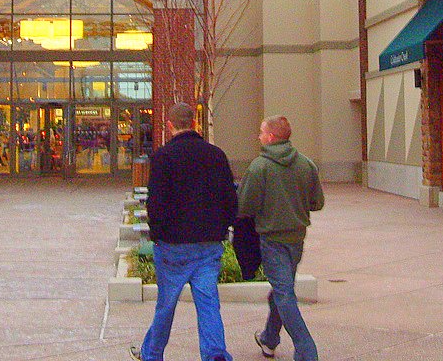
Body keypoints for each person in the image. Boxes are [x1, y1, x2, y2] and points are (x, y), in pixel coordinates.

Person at [131, 102, 237, 361]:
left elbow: (156, 203)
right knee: (208, 303)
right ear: (194, 123)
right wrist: (221, 229)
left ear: (169, 125)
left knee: (166, 305)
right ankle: (214, 354)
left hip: (172, 245)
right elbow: (230, 199)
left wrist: (157, 234)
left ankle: (152, 354)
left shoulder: (162, 157)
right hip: (208, 243)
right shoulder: (216, 155)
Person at [238, 115, 324, 361]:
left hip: (271, 239)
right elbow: (317, 203)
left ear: (271, 137)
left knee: (284, 294)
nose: (259, 136)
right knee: (282, 289)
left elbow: (244, 206)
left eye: (262, 132)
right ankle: (269, 338)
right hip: (297, 238)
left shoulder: (259, 167)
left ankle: (307, 351)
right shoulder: (307, 165)